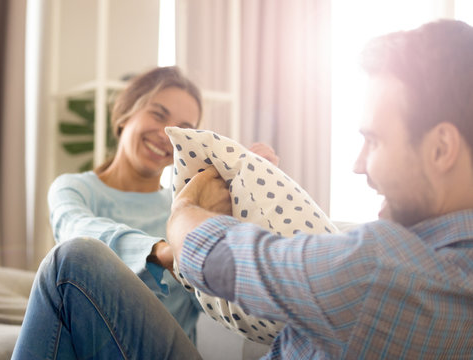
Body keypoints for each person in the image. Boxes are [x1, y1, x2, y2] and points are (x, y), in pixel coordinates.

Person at [167, 19, 473, 359]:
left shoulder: (380, 269)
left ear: (441, 149)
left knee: (93, 262)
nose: (359, 165)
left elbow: (218, 257)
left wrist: (184, 212)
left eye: (373, 140)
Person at [12, 66, 278, 359]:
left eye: (183, 127)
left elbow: (221, 297)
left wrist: (249, 200)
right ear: (126, 113)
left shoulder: (185, 209)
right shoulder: (74, 189)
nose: (167, 134)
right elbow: (75, 232)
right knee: (73, 257)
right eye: (158, 114)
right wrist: (165, 252)